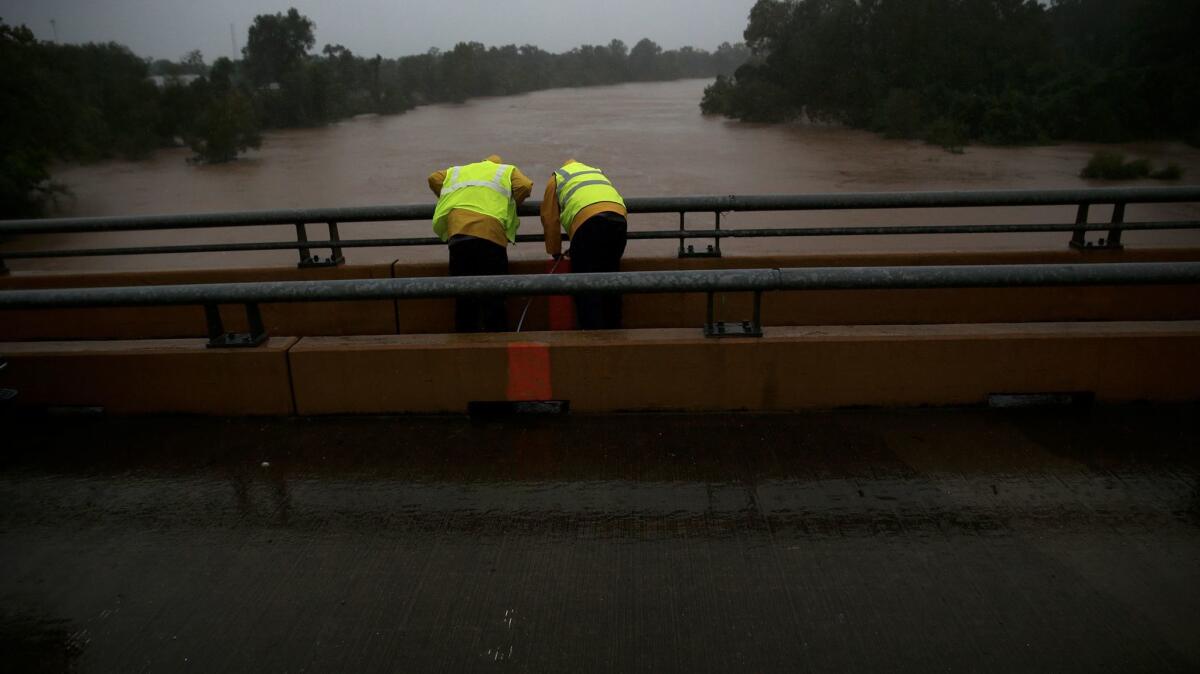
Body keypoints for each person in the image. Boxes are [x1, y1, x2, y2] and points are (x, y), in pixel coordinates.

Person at [429, 155, 533, 332]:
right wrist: (509, 201)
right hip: (490, 233)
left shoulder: (459, 171)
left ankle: (465, 343)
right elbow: (525, 185)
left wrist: (454, 197)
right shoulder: (505, 170)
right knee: (495, 294)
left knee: (463, 294)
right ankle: (497, 340)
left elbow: (434, 178)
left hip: (458, 233)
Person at [539, 159, 628, 329]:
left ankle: (591, 331)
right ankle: (614, 329)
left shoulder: (558, 177)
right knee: (611, 276)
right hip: (618, 220)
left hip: (588, 223)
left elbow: (550, 219)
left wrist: (555, 251)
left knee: (584, 281)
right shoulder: (596, 171)